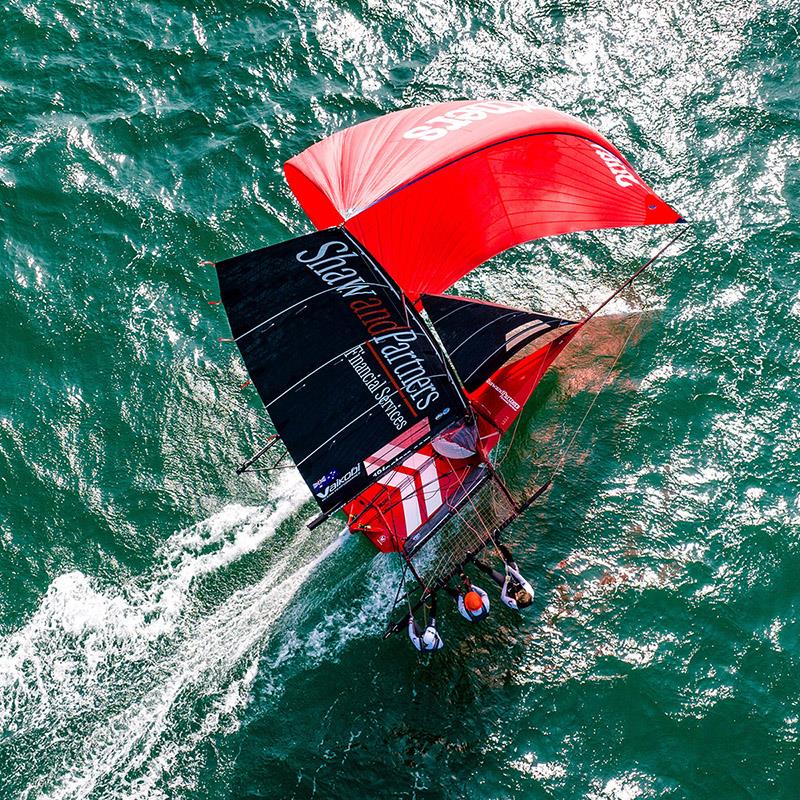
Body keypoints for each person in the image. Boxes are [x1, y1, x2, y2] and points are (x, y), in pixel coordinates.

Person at [475, 543, 534, 612]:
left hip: (508, 588)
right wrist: (510, 569)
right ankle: (498, 543)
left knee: (490, 571)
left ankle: (474, 560)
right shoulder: (529, 590)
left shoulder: (513, 603)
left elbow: (503, 597)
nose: (516, 594)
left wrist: (506, 582)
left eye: (517, 596)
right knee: (510, 560)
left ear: (517, 600)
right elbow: (520, 578)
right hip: (517, 582)